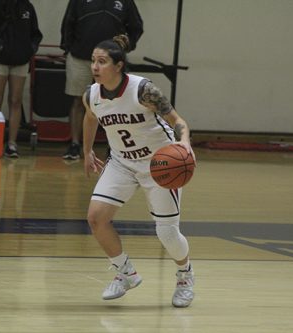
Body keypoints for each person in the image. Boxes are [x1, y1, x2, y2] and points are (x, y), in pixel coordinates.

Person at [82, 35, 196, 307]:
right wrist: (87, 151)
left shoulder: (144, 90)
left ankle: (185, 275)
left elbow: (177, 120)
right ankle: (125, 273)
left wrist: (184, 144)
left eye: (102, 61)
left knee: (167, 233)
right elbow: (89, 119)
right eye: (93, 61)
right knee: (96, 217)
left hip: (159, 164)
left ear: (119, 65)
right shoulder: (92, 95)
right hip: (122, 161)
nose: (95, 67)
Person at [60, 0, 143, 160]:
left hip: (110, 61)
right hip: (80, 57)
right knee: (79, 100)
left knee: (113, 103)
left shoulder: (125, 2)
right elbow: (68, 23)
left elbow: (136, 27)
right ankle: (75, 145)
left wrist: (126, 47)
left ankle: (114, 147)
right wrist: (67, 47)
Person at [0, 0, 42, 158]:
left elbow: (36, 34)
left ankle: (12, 144)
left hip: (20, 61)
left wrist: (29, 50)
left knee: (15, 101)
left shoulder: (27, 7)